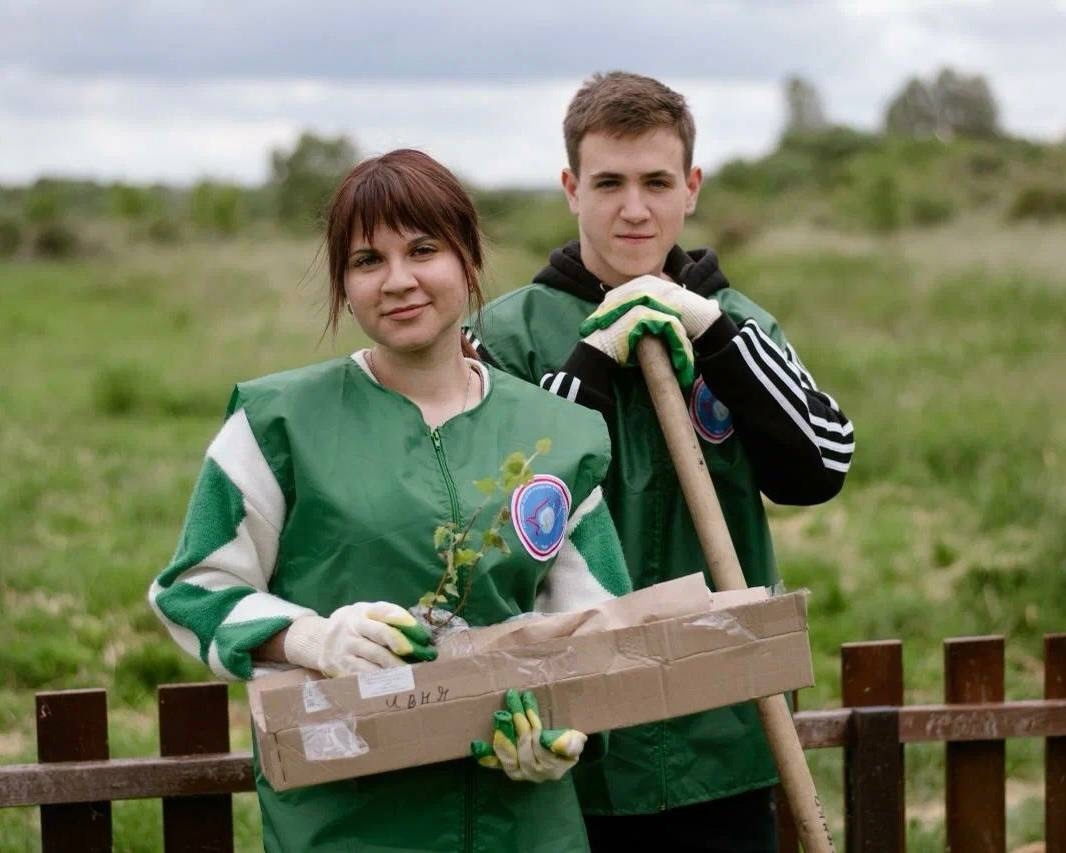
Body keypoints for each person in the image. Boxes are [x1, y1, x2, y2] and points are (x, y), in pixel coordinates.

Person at [148, 148, 633, 853]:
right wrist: (311, 637)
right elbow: (193, 589)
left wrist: (565, 732)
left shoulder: (559, 433)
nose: (398, 280)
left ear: (468, 261)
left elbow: (601, 625)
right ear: (344, 286)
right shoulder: (277, 422)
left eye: (423, 249)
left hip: (523, 823)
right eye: (367, 260)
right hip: (345, 822)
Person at [465, 72, 855, 851]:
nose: (634, 208)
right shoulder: (503, 338)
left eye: (656, 181)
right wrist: (590, 363)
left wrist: (719, 337)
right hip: (569, 740)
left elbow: (822, 465)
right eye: (608, 182)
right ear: (572, 187)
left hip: (722, 733)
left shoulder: (736, 322)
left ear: (692, 188)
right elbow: (495, 529)